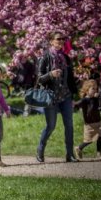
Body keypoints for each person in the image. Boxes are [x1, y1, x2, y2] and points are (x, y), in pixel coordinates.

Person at [36, 34, 79, 163]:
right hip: (50, 97)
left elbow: (70, 77)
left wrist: (74, 93)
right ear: (51, 41)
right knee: (51, 126)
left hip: (65, 96)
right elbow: (39, 78)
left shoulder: (65, 57)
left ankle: (70, 154)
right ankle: (40, 149)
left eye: (62, 39)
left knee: (69, 126)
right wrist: (50, 74)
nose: (60, 41)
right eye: (58, 39)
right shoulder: (45, 57)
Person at [73, 79, 101, 160]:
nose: (95, 90)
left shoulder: (96, 98)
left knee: (100, 137)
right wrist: (73, 104)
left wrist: (99, 97)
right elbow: (77, 104)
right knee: (88, 140)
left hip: (98, 121)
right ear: (87, 90)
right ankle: (79, 148)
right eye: (93, 89)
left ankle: (99, 154)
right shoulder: (85, 100)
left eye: (96, 89)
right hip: (89, 124)